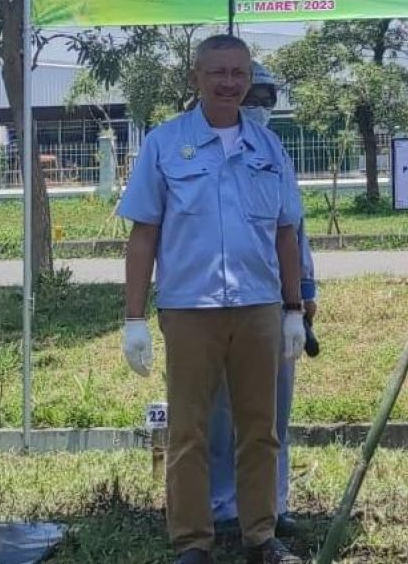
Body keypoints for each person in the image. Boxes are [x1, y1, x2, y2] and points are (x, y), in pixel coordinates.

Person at [119, 35, 306, 564]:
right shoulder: (163, 144)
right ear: (196, 78)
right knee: (188, 431)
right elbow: (143, 235)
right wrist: (134, 318)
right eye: (218, 72)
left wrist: (293, 309)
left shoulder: (269, 149)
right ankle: (192, 543)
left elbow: (286, 233)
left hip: (258, 307)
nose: (229, 83)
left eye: (239, 73)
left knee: (260, 428)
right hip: (189, 310)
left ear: (250, 80)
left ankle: (260, 537)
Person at [208, 63, 317, 539]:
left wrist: (304, 296)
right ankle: (223, 506)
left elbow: (294, 230)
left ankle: (273, 506)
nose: (261, 109)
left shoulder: (276, 153)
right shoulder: (192, 149)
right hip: (212, 303)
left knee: (274, 412)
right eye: (256, 98)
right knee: (220, 413)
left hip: (273, 301)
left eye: (267, 99)